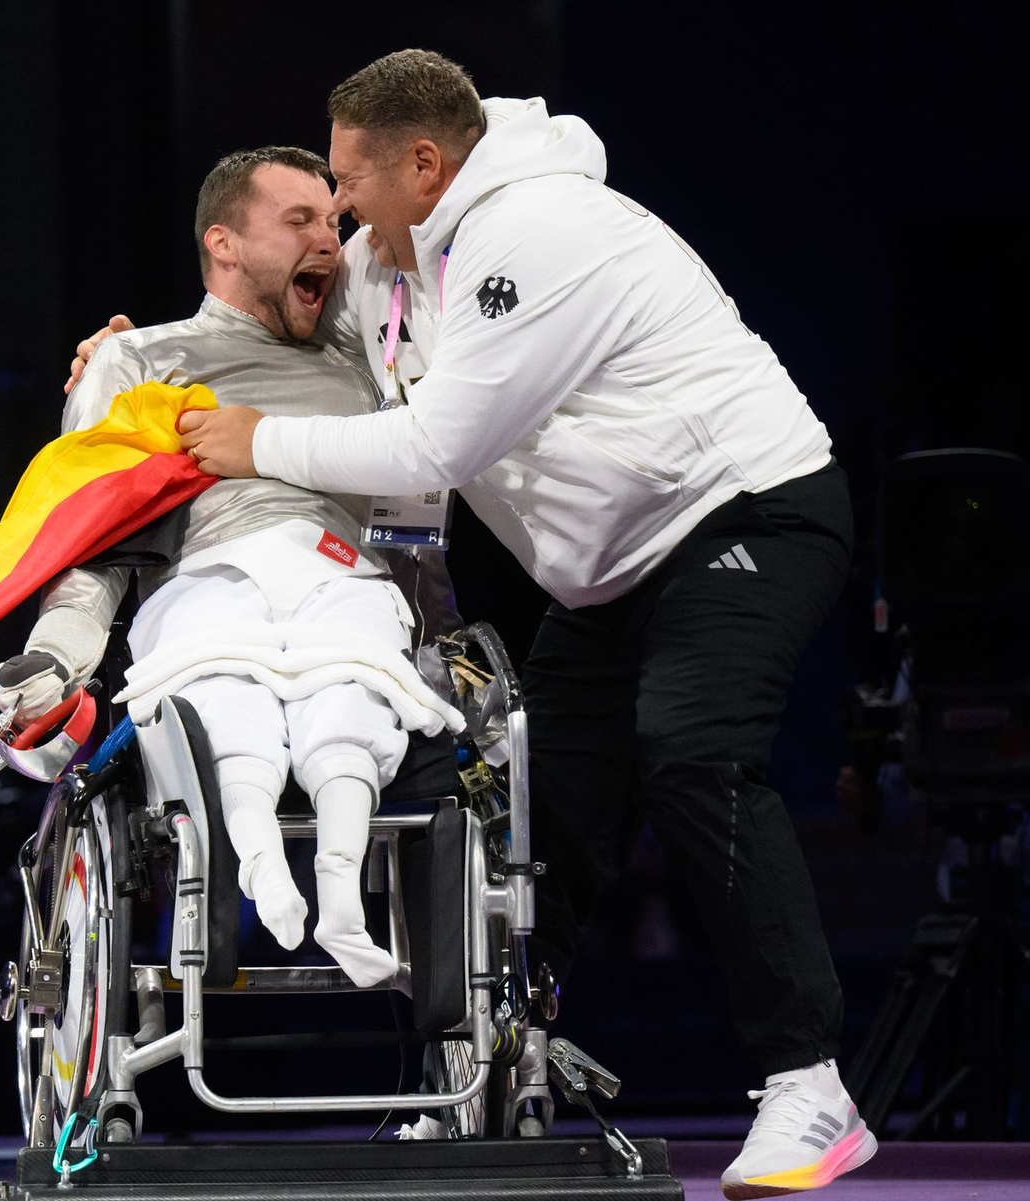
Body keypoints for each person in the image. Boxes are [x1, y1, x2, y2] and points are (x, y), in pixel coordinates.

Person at [140, 51, 873, 1197]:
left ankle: (810, 1086)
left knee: (691, 753)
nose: (335, 207)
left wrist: (250, 443)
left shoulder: (539, 234)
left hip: (745, 511)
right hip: (607, 574)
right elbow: (342, 389)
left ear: (423, 163)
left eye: (345, 179)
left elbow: (435, 449)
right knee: (535, 812)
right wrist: (139, 359)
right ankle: (481, 1077)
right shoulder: (392, 260)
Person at [0, 146, 462, 989]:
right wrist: (59, 656)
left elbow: (420, 529)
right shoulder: (136, 361)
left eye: (333, 219)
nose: (330, 239)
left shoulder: (374, 361)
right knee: (222, 699)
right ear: (224, 244)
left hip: (344, 592)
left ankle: (354, 913)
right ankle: (256, 865)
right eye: (299, 222)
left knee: (371, 703)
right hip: (205, 593)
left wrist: (448, 649)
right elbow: (91, 531)